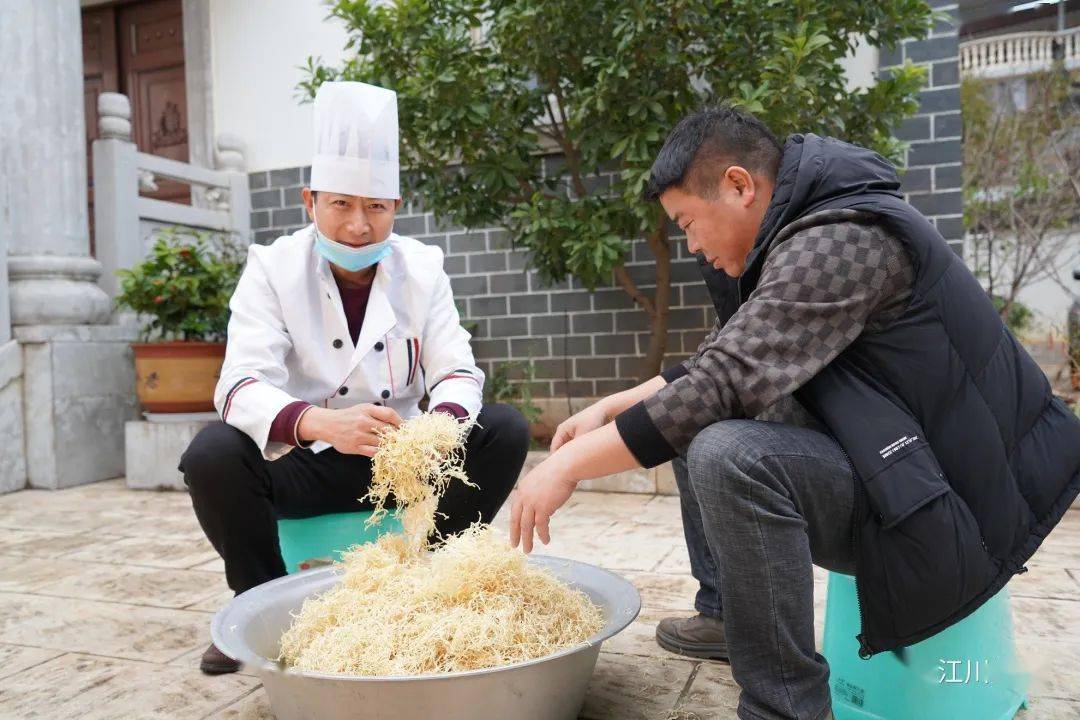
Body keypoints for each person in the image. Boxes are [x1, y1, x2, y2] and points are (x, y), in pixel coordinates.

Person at [508, 105, 1080, 720]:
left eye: (689, 222)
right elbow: (725, 363)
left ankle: (787, 708)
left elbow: (719, 384)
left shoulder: (841, 241)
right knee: (694, 423)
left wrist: (563, 466)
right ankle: (728, 614)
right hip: (909, 462)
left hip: (955, 505)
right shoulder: (811, 228)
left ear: (738, 185)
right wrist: (608, 408)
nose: (692, 243)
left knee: (729, 452)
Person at [180, 81, 530, 676]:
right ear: (308, 201)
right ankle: (258, 608)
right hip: (305, 460)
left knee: (503, 428)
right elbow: (239, 384)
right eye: (340, 204)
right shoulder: (272, 269)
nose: (359, 226)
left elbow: (458, 370)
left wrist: (434, 431)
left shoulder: (423, 268)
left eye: (375, 207)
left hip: (403, 461)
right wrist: (320, 423)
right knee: (213, 453)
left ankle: (434, 586)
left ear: (396, 206)